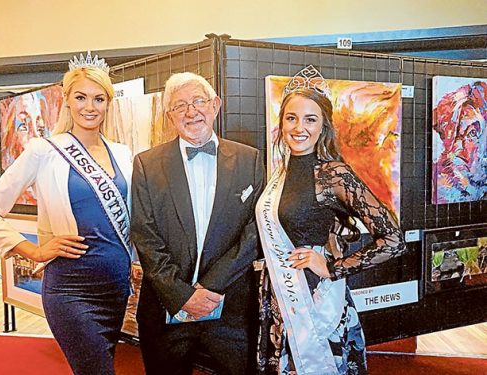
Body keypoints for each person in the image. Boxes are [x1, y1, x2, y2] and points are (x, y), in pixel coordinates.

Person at [0, 52, 134, 375]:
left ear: (108, 103)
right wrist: (34, 250)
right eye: (81, 97)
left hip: (115, 288)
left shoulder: (123, 153)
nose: (90, 107)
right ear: (66, 100)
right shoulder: (44, 150)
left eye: (99, 99)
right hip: (70, 290)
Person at [256, 65, 407, 375]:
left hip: (316, 294)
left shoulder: (334, 174)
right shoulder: (278, 175)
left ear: (323, 125)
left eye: (310, 119)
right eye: (292, 118)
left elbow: (393, 239)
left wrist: (332, 267)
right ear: (281, 123)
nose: (300, 127)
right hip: (279, 294)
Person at [131, 72, 264, 375]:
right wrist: (183, 296)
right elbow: (145, 236)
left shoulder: (250, 160)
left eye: (198, 101)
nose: (191, 112)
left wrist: (210, 287)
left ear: (215, 105)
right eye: (180, 106)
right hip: (167, 308)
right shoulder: (146, 165)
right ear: (169, 116)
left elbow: (255, 232)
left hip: (230, 307)